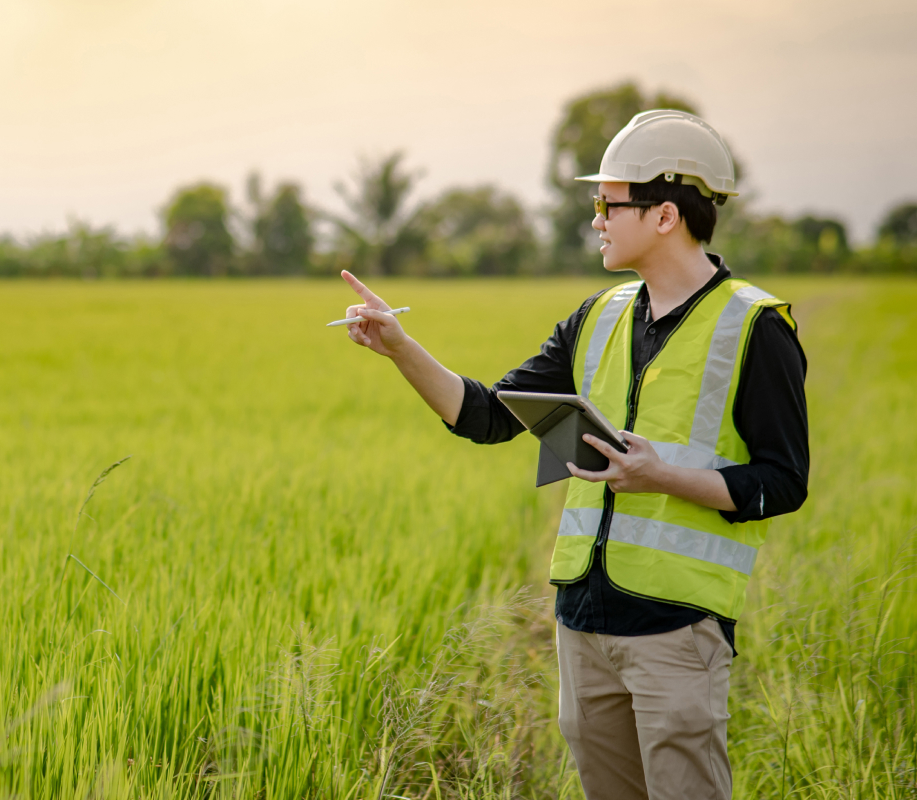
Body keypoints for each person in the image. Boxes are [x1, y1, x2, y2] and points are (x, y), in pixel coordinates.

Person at [335, 110, 809, 800]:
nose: (596, 219)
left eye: (607, 204)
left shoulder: (755, 326)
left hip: (677, 630)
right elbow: (489, 417)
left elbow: (783, 481)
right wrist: (400, 347)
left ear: (666, 214)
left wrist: (662, 477)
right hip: (583, 625)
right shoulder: (597, 317)